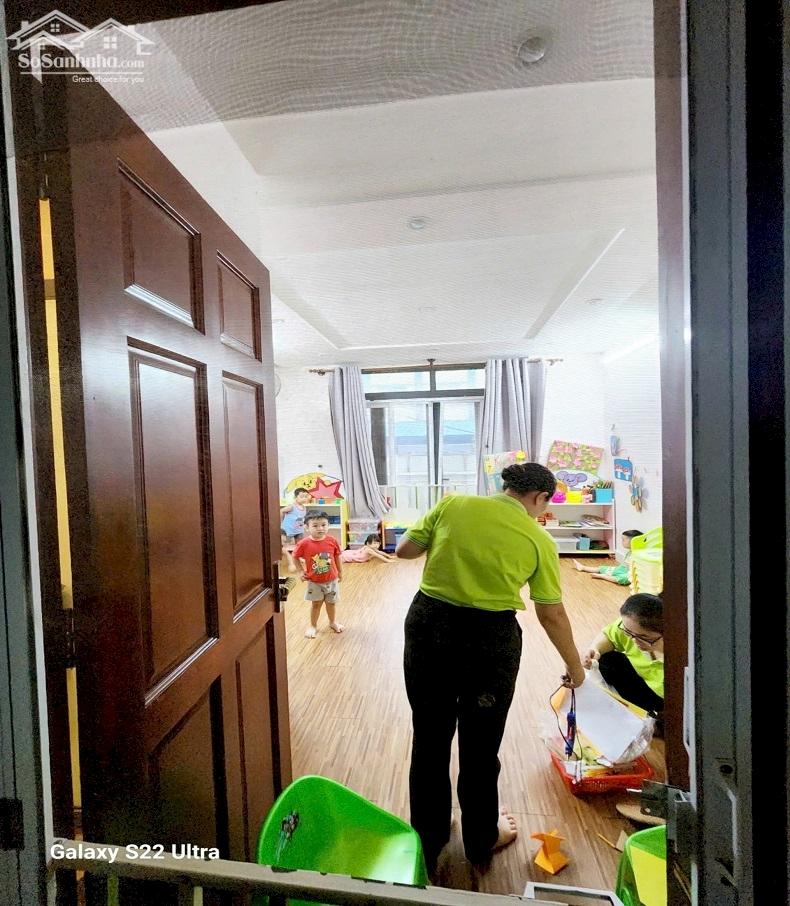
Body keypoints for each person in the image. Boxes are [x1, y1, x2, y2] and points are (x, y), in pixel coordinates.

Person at [395, 462, 585, 871]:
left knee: (429, 737)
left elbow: (404, 551)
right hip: (489, 641)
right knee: (481, 747)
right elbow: (551, 613)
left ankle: (428, 837)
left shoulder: (452, 504)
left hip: (429, 626)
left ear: (505, 486)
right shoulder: (538, 539)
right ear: (539, 498)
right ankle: (481, 840)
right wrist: (575, 666)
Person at [582, 592, 664, 715]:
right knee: (607, 660)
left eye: (644, 637)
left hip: (667, 701)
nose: (634, 641)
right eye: (627, 632)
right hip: (642, 686)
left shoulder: (684, 655)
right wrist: (594, 650)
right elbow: (609, 636)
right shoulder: (632, 626)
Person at [293, 511, 344, 639]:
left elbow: (336, 556)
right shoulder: (304, 543)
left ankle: (332, 622)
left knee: (331, 603)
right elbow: (295, 557)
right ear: (307, 527)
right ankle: (313, 626)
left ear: (328, 525)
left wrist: (340, 572)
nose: (320, 528)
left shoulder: (332, 541)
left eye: (323, 525)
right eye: (315, 525)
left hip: (332, 580)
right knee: (316, 604)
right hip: (314, 582)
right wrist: (300, 571)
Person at [573, 528, 644, 585]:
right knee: (603, 568)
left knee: (624, 578)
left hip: (631, 573)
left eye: (623, 540)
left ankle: (604, 576)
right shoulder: (630, 551)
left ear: (633, 541)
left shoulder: (638, 553)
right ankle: (583, 567)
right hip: (623, 569)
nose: (622, 542)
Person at [280, 487, 312, 572]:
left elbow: (300, 519)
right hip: (288, 531)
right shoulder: (292, 507)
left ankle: (299, 558)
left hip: (298, 531)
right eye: (302, 496)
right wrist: (281, 522)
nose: (304, 498)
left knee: (300, 546)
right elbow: (281, 511)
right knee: (285, 546)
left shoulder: (304, 508)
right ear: (295, 497)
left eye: (306, 496)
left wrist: (304, 525)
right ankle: (290, 562)